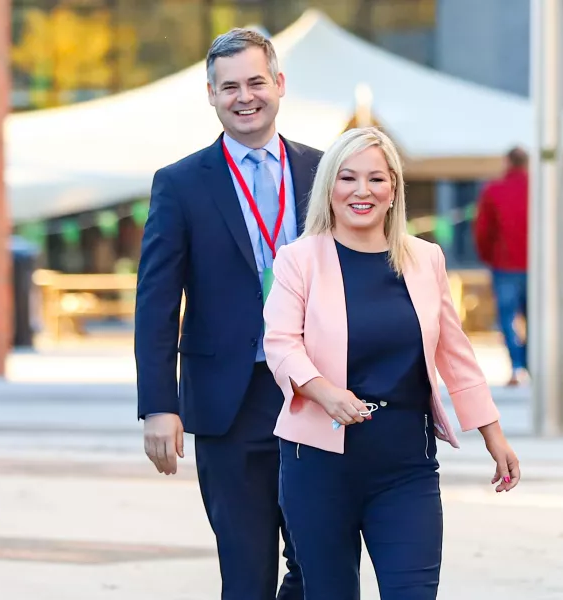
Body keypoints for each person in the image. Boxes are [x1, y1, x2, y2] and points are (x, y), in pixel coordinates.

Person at [263, 127, 521, 600]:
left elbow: (456, 354)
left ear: (394, 189)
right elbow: (281, 344)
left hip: (406, 464)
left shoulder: (425, 259)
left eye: (376, 179)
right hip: (318, 465)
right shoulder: (298, 260)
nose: (362, 191)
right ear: (329, 187)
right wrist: (323, 390)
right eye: (348, 178)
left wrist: (492, 433)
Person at [135, 28, 321, 600]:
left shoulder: (324, 172)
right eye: (229, 86)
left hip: (316, 394)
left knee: (321, 567)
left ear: (279, 85)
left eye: (256, 82)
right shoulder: (181, 183)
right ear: (211, 95)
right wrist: (159, 406)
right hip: (228, 406)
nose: (245, 97)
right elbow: (156, 302)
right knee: (247, 573)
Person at [474, 147, 529, 385]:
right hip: (537, 267)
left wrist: (489, 257)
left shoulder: (493, 190)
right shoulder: (542, 189)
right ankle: (530, 364)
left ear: (507, 162)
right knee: (537, 319)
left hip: (504, 263)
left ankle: (517, 366)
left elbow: (483, 230)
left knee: (507, 318)